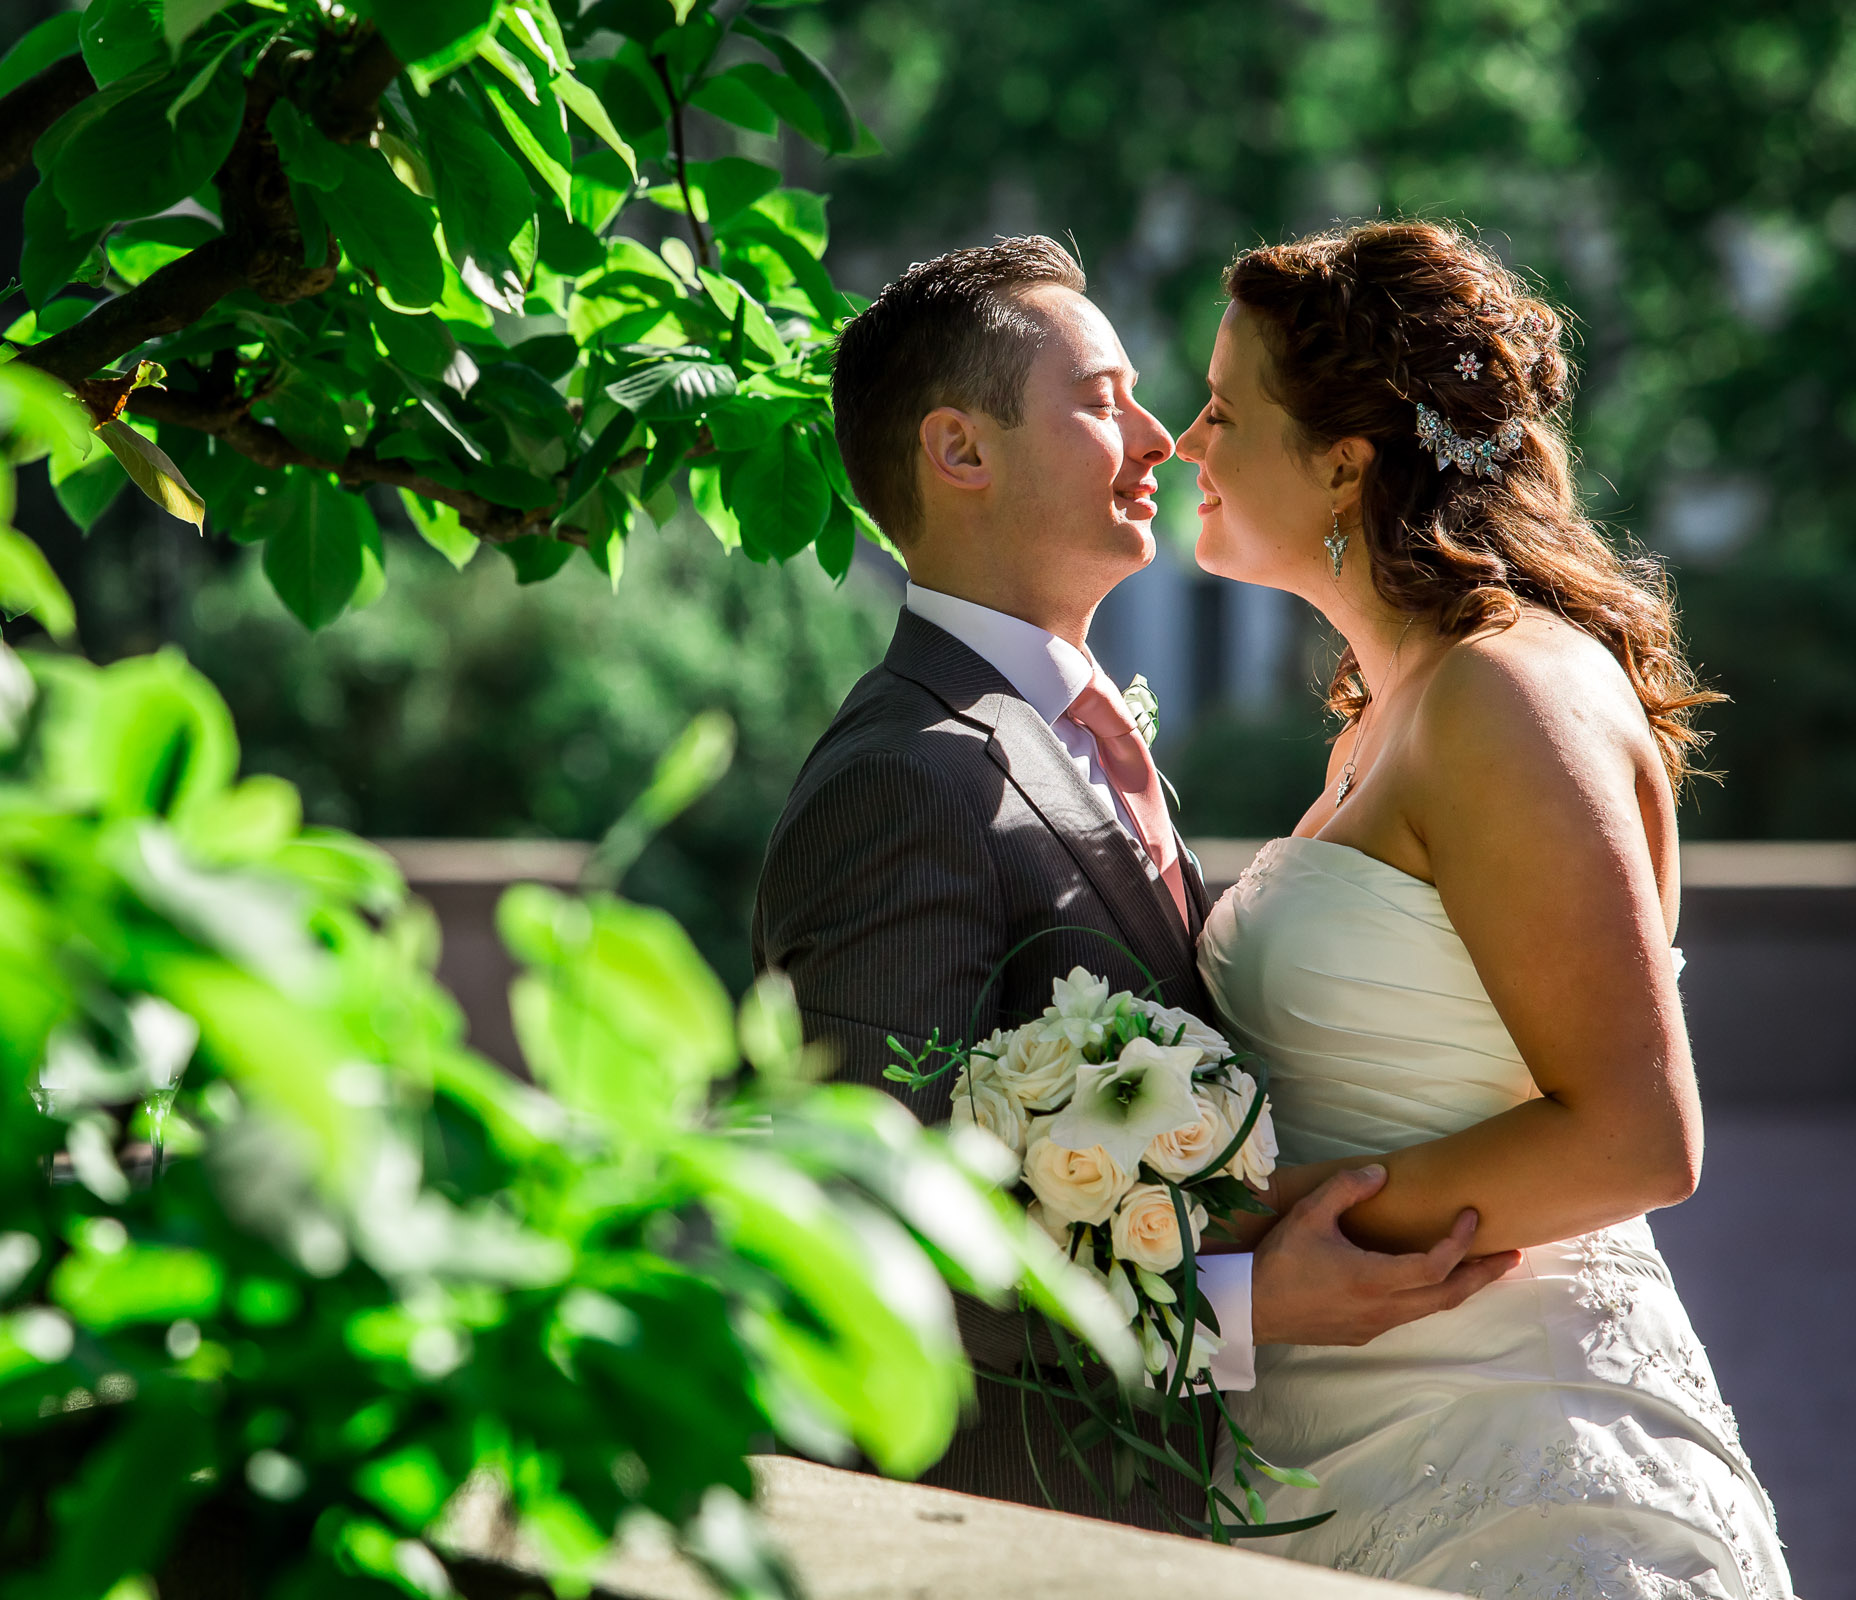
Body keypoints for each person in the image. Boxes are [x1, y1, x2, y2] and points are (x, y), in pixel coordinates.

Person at [752, 236, 1514, 1528]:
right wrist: (1250, 1310)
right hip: (1002, 1531)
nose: (1165, 441)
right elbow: (872, 1243)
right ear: (962, 452)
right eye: (1105, 401)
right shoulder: (907, 782)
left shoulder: (1083, 739)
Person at [1177, 221, 1793, 1596]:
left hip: (1522, 1470)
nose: (1181, 444)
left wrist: (1256, 1221)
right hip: (1333, 1463)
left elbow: (1637, 1134)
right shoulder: (1388, 715)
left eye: (1222, 409)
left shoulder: (1506, 694)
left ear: (1343, 458)